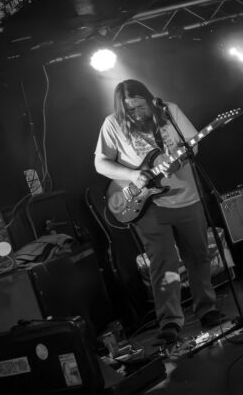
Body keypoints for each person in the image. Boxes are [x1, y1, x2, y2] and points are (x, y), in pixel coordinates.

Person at [93, 79, 224, 344]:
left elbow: (193, 144)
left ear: (149, 100)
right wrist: (132, 175)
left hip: (186, 197)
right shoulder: (112, 124)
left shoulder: (169, 111)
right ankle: (170, 323)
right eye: (129, 110)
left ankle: (207, 311)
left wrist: (179, 161)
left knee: (198, 255)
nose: (135, 113)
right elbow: (100, 163)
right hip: (148, 205)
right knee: (163, 264)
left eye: (139, 106)